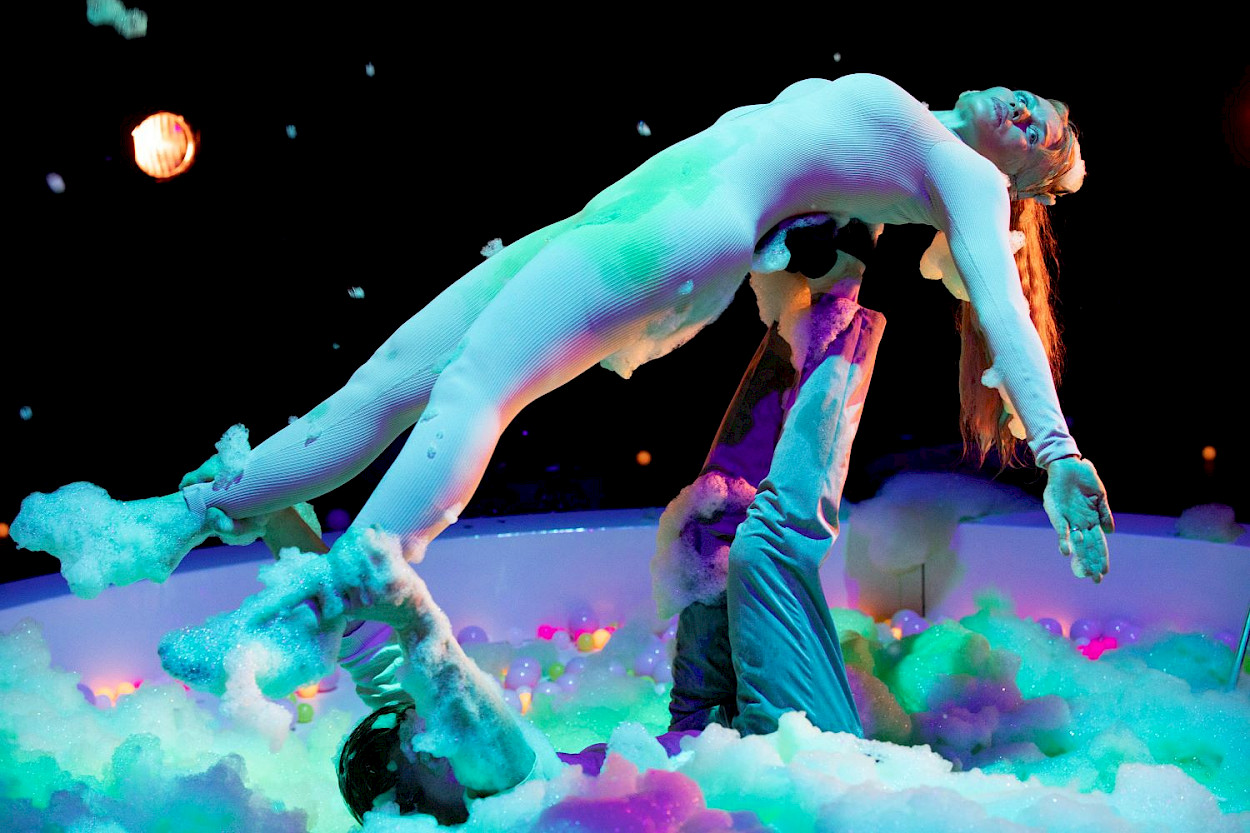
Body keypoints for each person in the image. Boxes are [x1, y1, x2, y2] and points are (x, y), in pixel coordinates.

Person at [15, 72, 1114, 819]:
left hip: (677, 232)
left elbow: (1003, 313)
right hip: (619, 214)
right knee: (387, 381)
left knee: (472, 389)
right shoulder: (905, 128)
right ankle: (180, 517)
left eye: (1047, 135)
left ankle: (331, 594)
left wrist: (1058, 449)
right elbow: (819, 251)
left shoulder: (964, 178)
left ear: (1020, 184)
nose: (1031, 113)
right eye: (1041, 105)